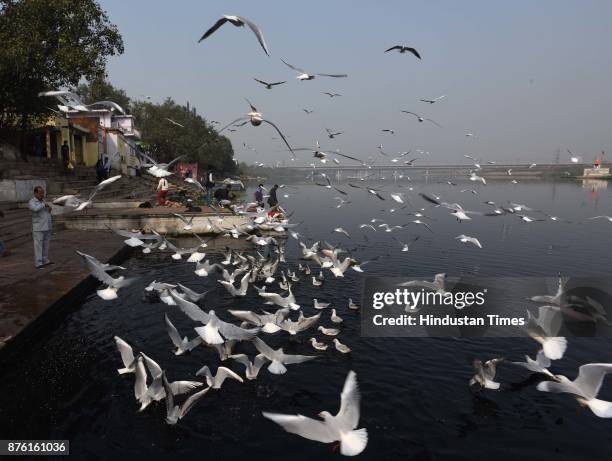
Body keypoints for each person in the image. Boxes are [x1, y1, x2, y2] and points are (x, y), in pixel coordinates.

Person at [28, 186, 53, 268]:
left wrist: (49, 208)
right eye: (40, 193)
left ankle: (45, 260)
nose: (42, 194)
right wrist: (44, 204)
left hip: (47, 226)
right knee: (38, 245)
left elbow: (47, 212)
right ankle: (39, 263)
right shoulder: (32, 202)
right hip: (38, 227)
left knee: (46, 244)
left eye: (43, 193)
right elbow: (35, 209)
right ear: (35, 193)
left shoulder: (43, 202)